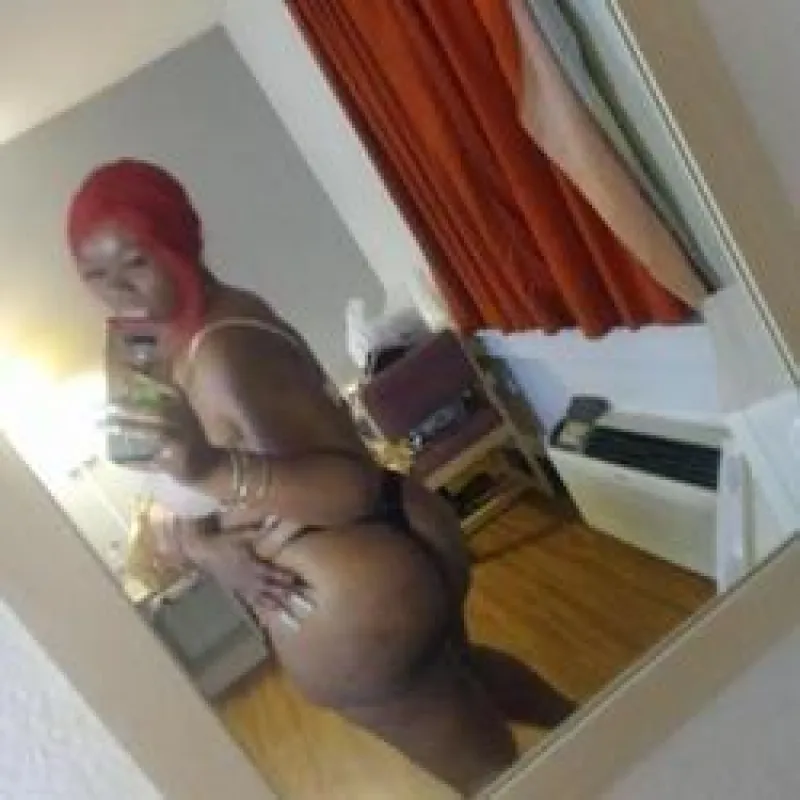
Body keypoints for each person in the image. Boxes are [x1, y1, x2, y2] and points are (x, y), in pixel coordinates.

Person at [68, 159, 572, 796]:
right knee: (462, 677)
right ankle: (602, 729)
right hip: (387, 543)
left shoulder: (222, 350)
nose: (118, 289)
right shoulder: (154, 336)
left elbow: (343, 488)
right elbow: (156, 466)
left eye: (135, 262)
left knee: (493, 776)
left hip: (347, 585)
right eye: (95, 275)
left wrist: (211, 471)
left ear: (178, 241)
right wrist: (202, 543)